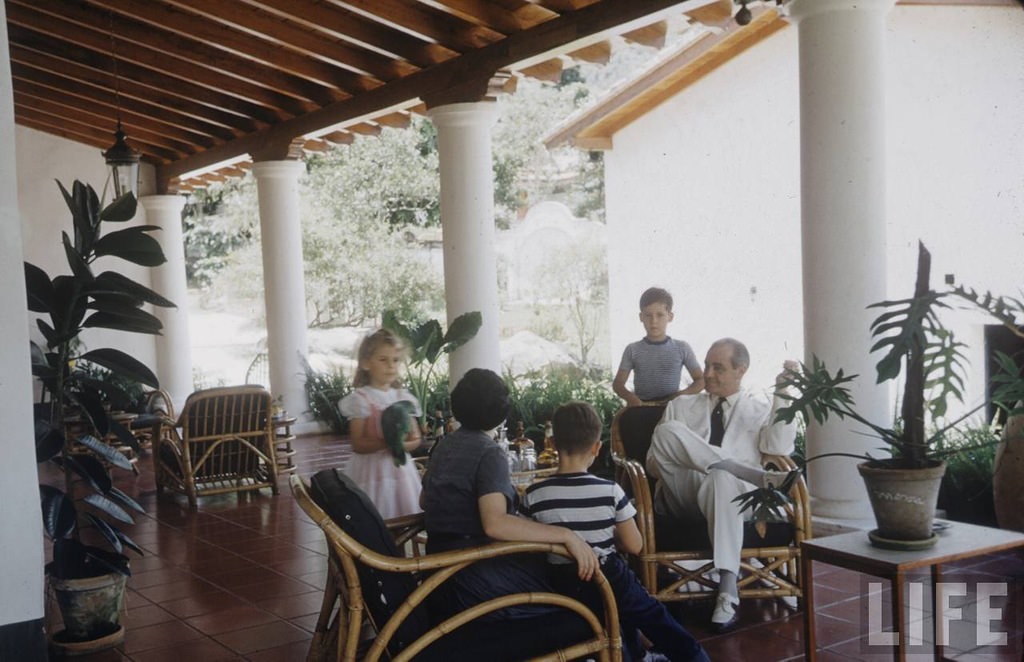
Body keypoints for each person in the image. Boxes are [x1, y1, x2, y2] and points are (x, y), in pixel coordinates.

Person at [521, 402, 710, 662]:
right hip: (608, 576)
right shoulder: (609, 491)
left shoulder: (533, 495)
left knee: (605, 615)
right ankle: (693, 657)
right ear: (597, 448)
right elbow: (635, 545)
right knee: (653, 616)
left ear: (552, 443)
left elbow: (530, 548)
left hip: (560, 584)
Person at [420, 368, 598, 620]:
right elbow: (495, 524)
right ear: (500, 412)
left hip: (437, 572)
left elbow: (425, 501)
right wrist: (566, 535)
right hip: (473, 578)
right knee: (571, 580)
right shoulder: (489, 452)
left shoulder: (443, 445)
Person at [646, 338, 797, 632]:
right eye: (706, 365)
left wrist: (783, 392)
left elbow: (779, 446)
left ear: (741, 370)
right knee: (668, 431)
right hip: (684, 492)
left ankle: (728, 588)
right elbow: (654, 463)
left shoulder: (759, 407)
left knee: (722, 477)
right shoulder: (681, 405)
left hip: (731, 496)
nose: (708, 373)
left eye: (718, 367)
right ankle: (739, 469)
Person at [338, 328, 423, 520]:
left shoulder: (403, 397)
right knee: (375, 518)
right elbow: (358, 444)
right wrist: (388, 443)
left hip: (401, 473)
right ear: (366, 363)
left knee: (404, 516)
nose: (391, 366)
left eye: (395, 360)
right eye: (383, 360)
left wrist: (402, 446)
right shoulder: (361, 400)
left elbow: (415, 437)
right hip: (370, 472)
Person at [613, 287, 704, 406]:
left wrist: (681, 395)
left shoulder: (682, 348)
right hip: (642, 408)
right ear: (641, 317)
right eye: (648, 315)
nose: (654, 321)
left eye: (660, 315)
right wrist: (632, 399)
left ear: (670, 316)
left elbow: (701, 380)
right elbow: (618, 384)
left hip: (671, 408)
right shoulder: (632, 350)